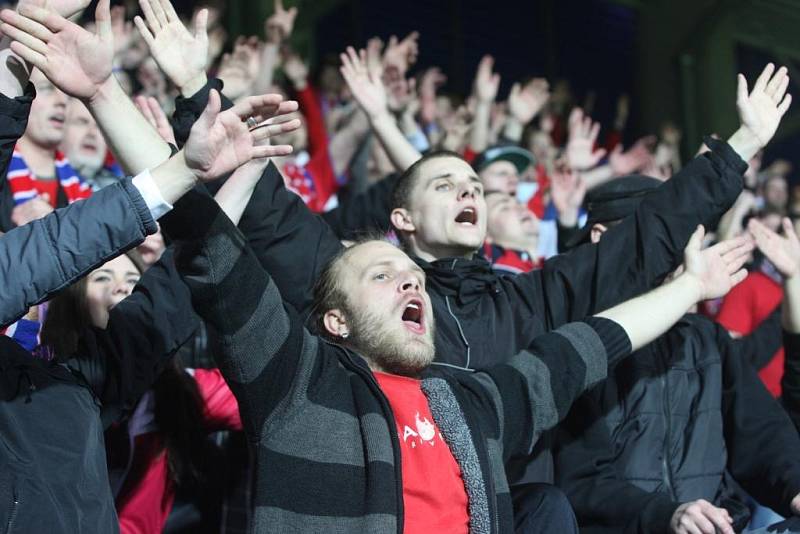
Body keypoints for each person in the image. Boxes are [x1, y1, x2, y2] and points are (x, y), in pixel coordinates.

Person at [161, 152, 750, 531]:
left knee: (546, 506)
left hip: (508, 508)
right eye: (445, 185)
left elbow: (598, 338)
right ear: (403, 218)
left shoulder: (479, 394)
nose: (468, 194)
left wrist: (697, 271)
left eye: (475, 186)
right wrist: (189, 103)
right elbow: (237, 244)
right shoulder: (308, 383)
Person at [0, 2, 301, 531]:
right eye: (102, 277)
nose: (120, 288)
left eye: (126, 278)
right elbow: (54, 246)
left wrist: (233, 181)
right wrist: (17, 65)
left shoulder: (80, 378)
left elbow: (168, 301)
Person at [553, 176, 800, 534]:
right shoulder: (573, 339)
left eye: (679, 233)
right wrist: (667, 515)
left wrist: (794, 487)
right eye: (657, 231)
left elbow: (761, 434)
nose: (676, 247)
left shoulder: (705, 338)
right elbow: (577, 479)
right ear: (601, 236)